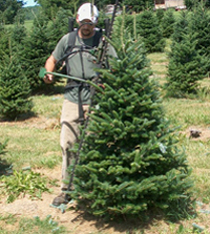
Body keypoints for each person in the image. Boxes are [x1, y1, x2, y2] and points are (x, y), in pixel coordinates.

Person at [44, 2, 117, 206]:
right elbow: (52, 60)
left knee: (95, 143)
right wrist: (49, 72)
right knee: (67, 143)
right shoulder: (68, 40)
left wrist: (107, 80)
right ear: (78, 20)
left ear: (95, 23)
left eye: (90, 24)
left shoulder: (103, 41)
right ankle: (67, 189)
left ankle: (96, 187)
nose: (87, 27)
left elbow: (117, 66)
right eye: (84, 23)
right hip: (72, 97)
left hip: (96, 98)